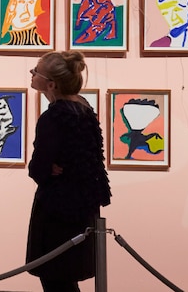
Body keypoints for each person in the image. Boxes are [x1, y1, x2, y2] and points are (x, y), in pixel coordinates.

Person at [26, 51, 112, 292]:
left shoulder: (52, 117)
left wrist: (46, 167)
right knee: (66, 280)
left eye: (36, 71)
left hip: (57, 211)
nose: (31, 74)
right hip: (83, 208)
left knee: (56, 280)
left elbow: (38, 169)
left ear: (51, 84)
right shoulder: (84, 109)